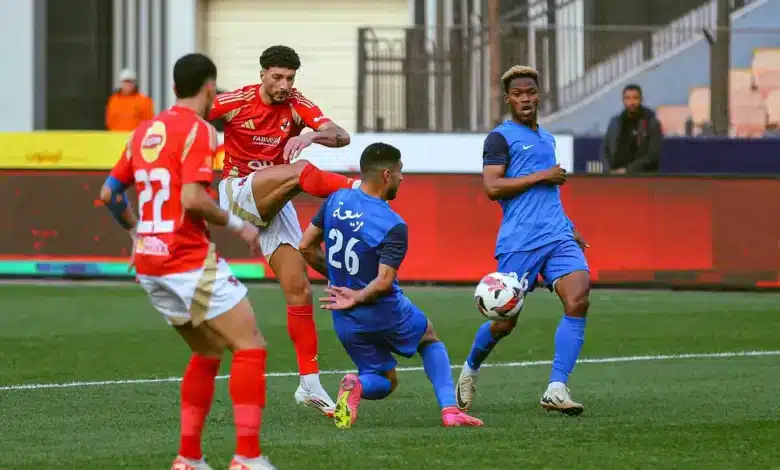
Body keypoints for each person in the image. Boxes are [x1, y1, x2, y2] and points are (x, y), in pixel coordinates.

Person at [100, 53, 275, 470]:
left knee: (209, 350)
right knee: (250, 345)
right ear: (210, 88)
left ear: (175, 87)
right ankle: (247, 457)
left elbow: (110, 194)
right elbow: (193, 199)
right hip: (186, 256)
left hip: (150, 263)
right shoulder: (199, 130)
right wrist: (240, 225)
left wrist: (136, 232)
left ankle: (189, 458)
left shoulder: (143, 131)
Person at [210, 45, 359, 416]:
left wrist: (311, 136)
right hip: (238, 191)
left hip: (275, 198)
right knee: (300, 171)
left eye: (290, 78)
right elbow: (192, 117)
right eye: (277, 77)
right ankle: (361, 192)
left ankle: (309, 384)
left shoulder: (296, 104)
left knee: (299, 289)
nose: (284, 85)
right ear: (262, 74)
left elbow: (341, 135)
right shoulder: (235, 102)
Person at [298, 142, 484, 429]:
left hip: (343, 313)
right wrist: (358, 294)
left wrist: (339, 279)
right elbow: (384, 282)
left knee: (385, 380)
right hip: (382, 309)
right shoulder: (392, 224)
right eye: (399, 171)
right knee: (429, 338)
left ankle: (357, 384)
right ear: (386, 175)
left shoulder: (335, 200)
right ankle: (450, 411)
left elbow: (305, 246)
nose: (402, 178)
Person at [456, 65, 591, 417]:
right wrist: (543, 175)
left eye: (530, 92)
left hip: (557, 236)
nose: (526, 99)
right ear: (508, 99)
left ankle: (556, 388)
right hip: (520, 241)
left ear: (539, 95)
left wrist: (570, 226)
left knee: (578, 299)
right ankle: (470, 368)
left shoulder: (547, 138)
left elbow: (548, 196)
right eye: (518, 94)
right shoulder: (500, 138)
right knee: (505, 322)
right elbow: (492, 187)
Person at [600, 84, 663, 174]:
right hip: (615, 177)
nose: (632, 102)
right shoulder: (615, 122)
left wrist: (627, 170)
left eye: (635, 98)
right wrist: (609, 171)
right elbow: (605, 150)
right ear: (623, 100)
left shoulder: (651, 123)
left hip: (642, 177)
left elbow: (653, 156)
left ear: (641, 99)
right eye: (628, 98)